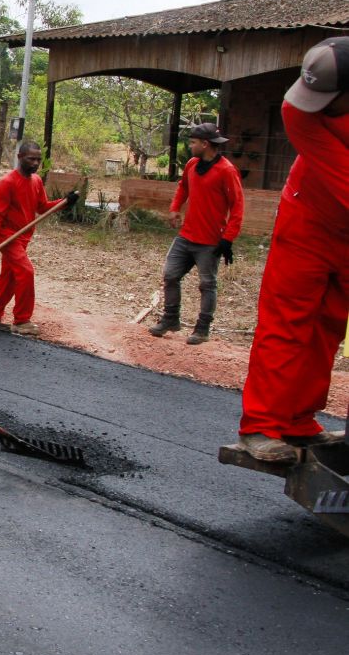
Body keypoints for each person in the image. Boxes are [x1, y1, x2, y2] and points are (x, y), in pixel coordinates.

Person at [235, 37, 349, 463]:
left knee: (329, 326)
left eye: (330, 99)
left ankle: (299, 420)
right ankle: (262, 424)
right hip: (308, 225)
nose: (314, 104)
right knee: (286, 323)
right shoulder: (298, 109)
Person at [148, 123, 244, 345]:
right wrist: (175, 208)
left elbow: (237, 206)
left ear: (205, 144)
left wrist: (228, 239)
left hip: (210, 241)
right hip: (186, 235)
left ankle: (202, 329)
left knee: (207, 284)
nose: (190, 146)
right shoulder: (192, 164)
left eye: (192, 142)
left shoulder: (227, 171)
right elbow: (183, 187)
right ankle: (171, 319)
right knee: (170, 274)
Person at [0, 141, 78, 336]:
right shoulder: (7, 182)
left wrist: (65, 202)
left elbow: (42, 207)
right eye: (31, 159)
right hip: (8, 237)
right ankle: (22, 320)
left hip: (23, 236)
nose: (35, 163)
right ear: (20, 157)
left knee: (9, 278)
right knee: (26, 272)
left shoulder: (36, 181)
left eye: (38, 160)